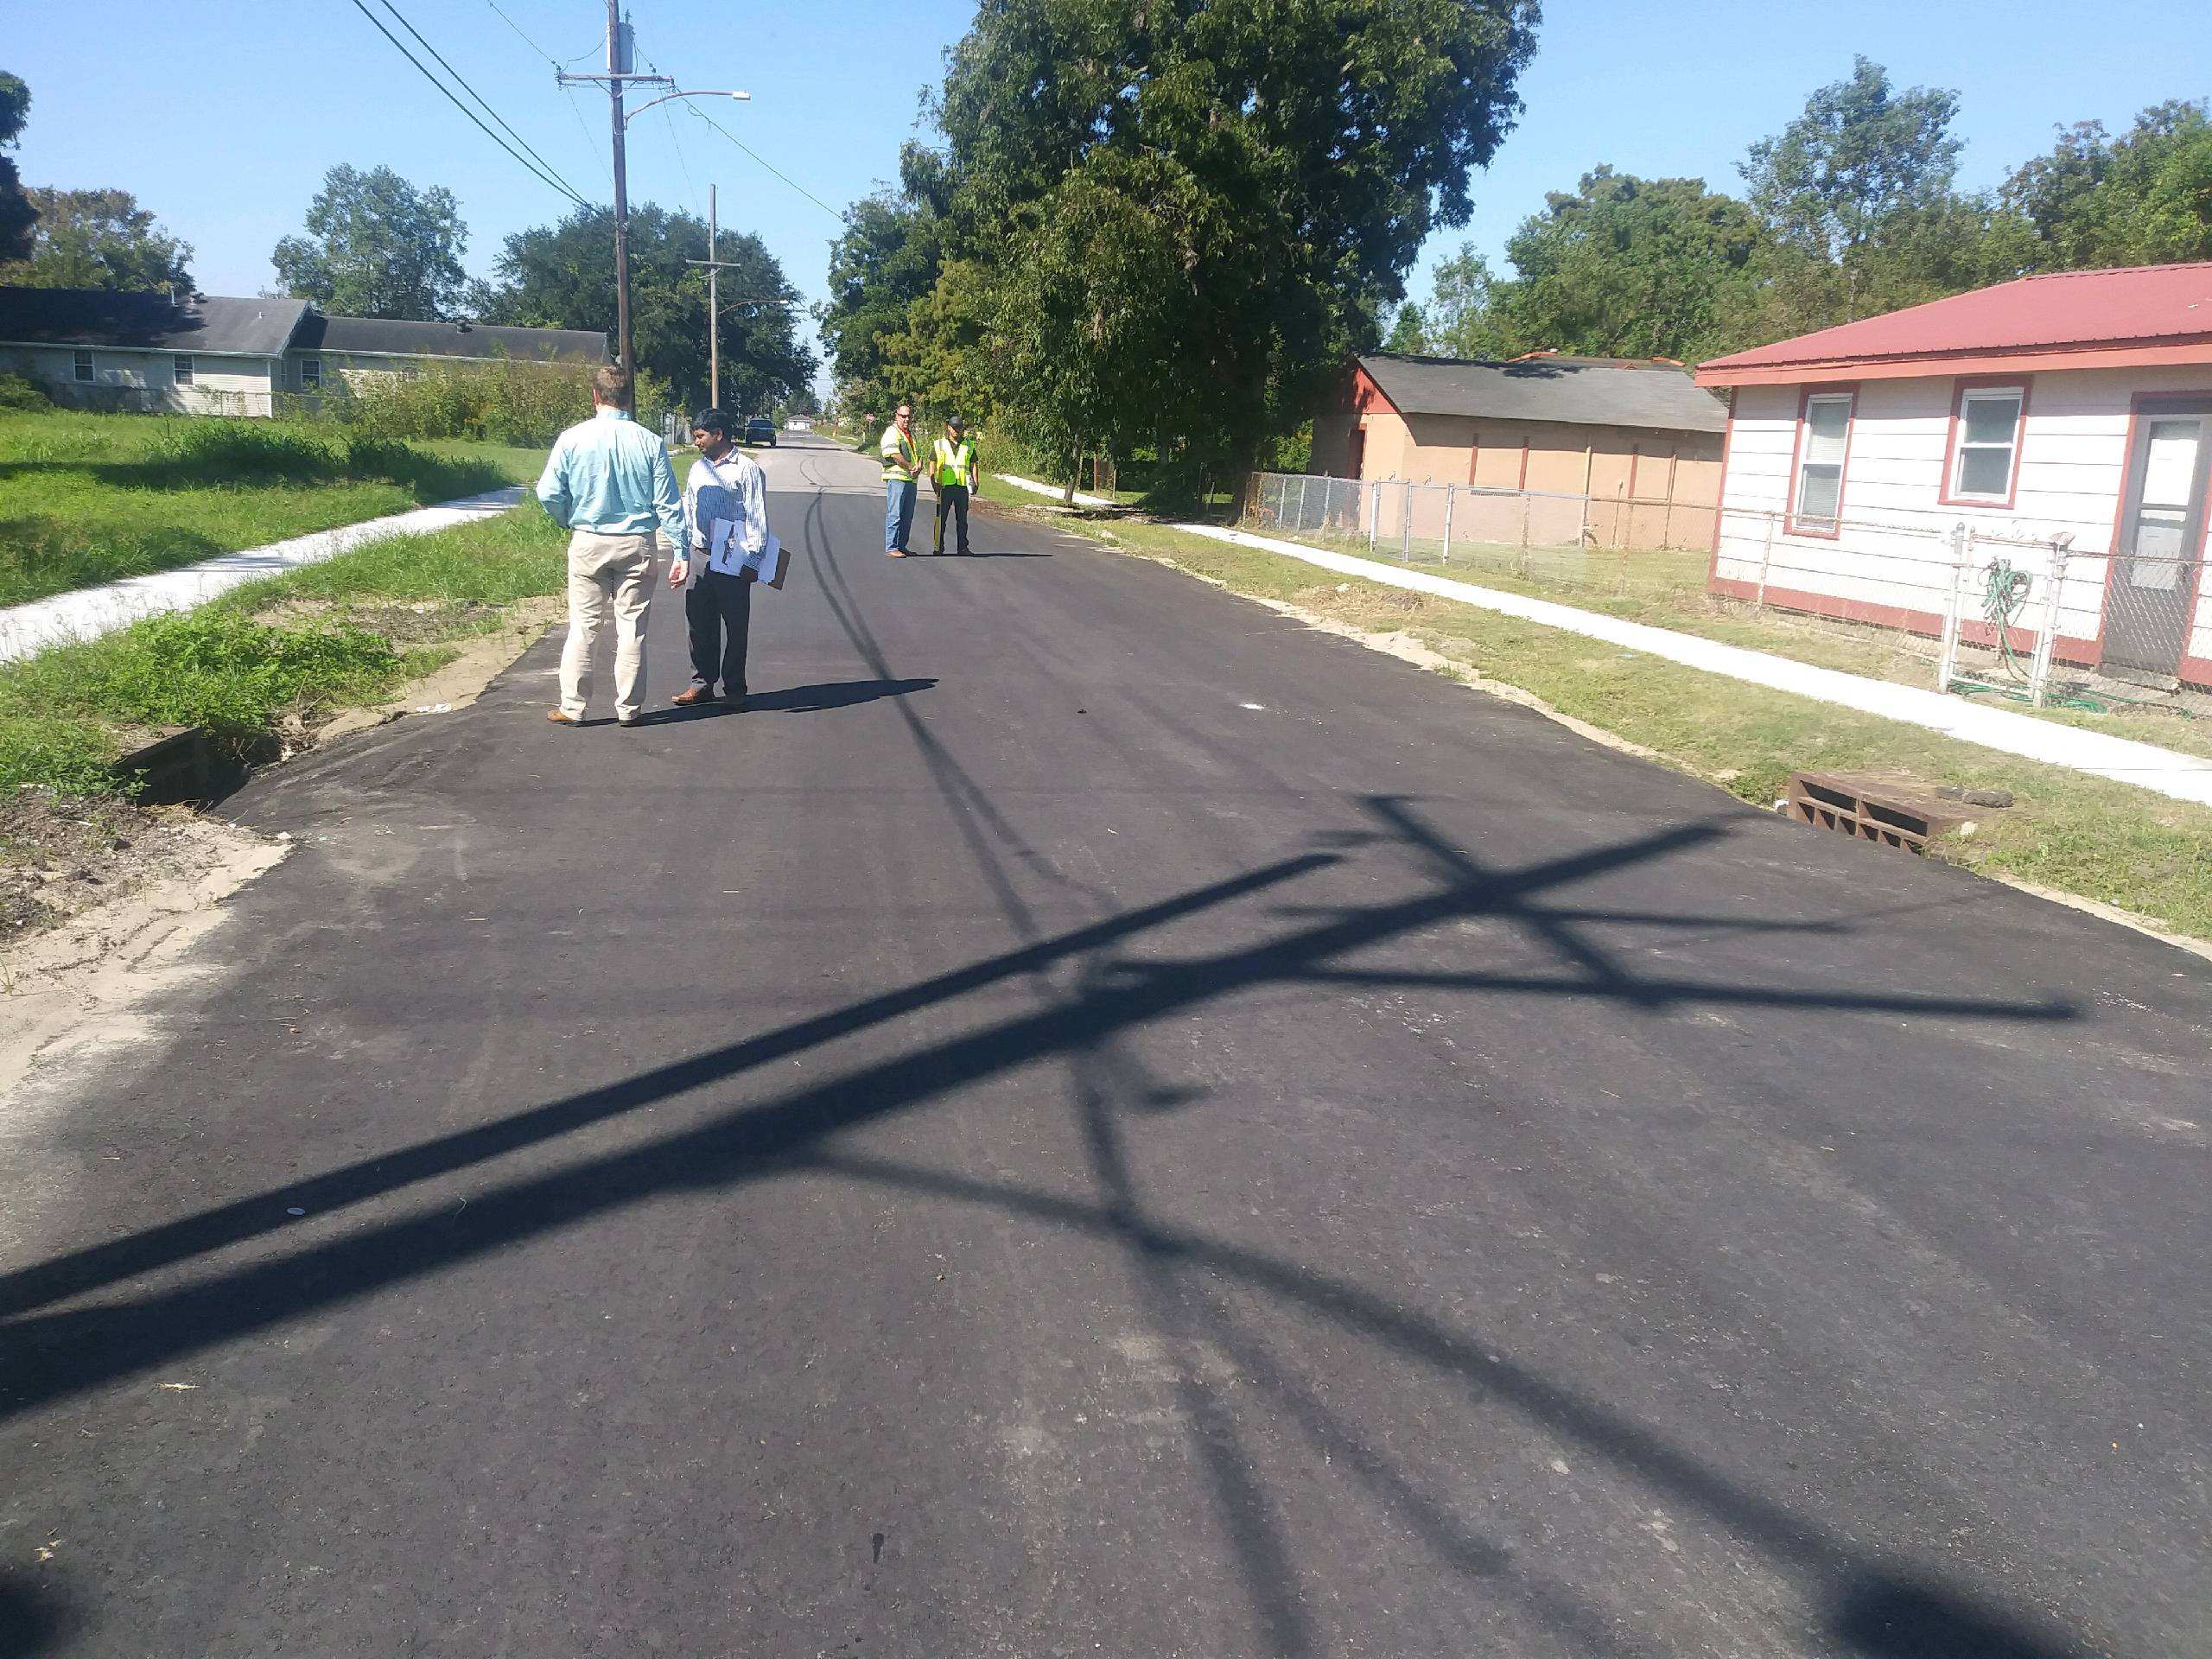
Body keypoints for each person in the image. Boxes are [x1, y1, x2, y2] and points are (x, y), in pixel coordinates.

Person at [535, 365, 684, 728]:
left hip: (589, 539)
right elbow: (667, 503)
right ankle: (629, 709)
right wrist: (681, 550)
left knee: (584, 627)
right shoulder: (650, 441)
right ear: (629, 400)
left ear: (595, 396)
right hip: (637, 543)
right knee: (632, 628)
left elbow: (548, 493)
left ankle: (573, 707)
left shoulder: (572, 438)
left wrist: (566, 518)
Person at [668, 408, 767, 709]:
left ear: (718, 435)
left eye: (700, 436)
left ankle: (735, 687)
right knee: (698, 623)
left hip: (734, 557)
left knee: (736, 626)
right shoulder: (698, 468)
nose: (696, 441)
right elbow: (688, 509)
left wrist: (754, 561)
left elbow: (757, 516)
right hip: (701, 554)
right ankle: (701, 684)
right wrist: (682, 552)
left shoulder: (746, 469)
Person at [928, 416, 980, 556]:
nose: (957, 430)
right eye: (954, 427)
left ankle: (962, 547)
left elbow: (973, 464)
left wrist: (975, 482)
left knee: (962, 519)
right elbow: (932, 463)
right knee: (941, 518)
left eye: (959, 428)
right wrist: (934, 482)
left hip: (962, 486)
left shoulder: (968, 444)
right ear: (948, 427)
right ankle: (939, 547)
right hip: (944, 486)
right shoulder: (939, 444)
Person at [880, 401, 921, 558]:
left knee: (907, 515)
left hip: (911, 480)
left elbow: (919, 455)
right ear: (896, 416)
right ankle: (891, 547)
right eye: (903, 416)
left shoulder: (911, 435)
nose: (906, 419)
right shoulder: (892, 432)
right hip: (897, 478)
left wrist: (919, 466)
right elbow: (894, 455)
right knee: (895, 513)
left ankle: (902, 546)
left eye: (909, 416)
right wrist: (911, 467)